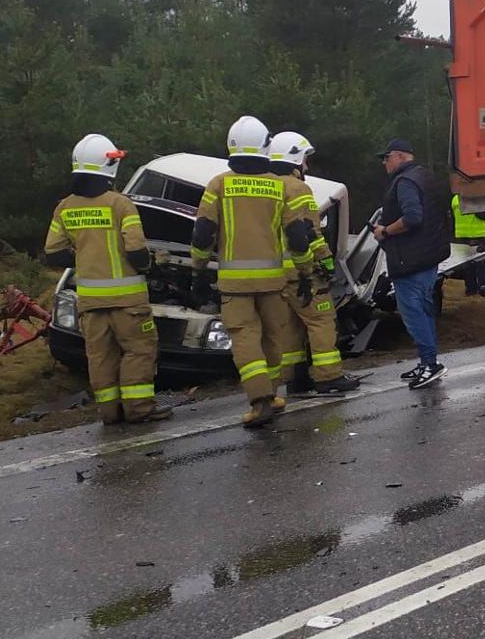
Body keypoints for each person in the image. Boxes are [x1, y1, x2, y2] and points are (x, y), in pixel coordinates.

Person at [192, 116, 318, 427]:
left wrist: (197, 269)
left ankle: (260, 399)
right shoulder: (279, 187)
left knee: (245, 338)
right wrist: (304, 272)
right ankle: (272, 394)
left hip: (235, 285)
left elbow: (203, 232)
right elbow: (298, 237)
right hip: (274, 281)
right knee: (273, 338)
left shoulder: (219, 185)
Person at [42, 133, 173, 424]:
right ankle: (139, 409)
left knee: (100, 358)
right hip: (129, 303)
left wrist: (87, 258)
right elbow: (137, 251)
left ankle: (110, 413)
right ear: (108, 166)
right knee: (138, 351)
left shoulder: (65, 207)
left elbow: (52, 253)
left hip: (90, 303)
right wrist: (150, 268)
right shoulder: (120, 205)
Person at [266, 132, 362, 396]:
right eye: (304, 159)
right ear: (294, 158)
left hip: (275, 274)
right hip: (301, 271)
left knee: (292, 325)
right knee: (321, 320)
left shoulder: (266, 187)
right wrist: (326, 264)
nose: (306, 166)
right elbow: (310, 232)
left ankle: (296, 379)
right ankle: (328, 376)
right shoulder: (297, 188)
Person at [374, 138, 452, 389]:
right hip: (427, 256)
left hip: (411, 260)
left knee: (413, 313)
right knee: (424, 310)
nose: (384, 163)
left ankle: (429, 364)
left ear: (400, 156)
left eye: (387, 157)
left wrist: (385, 231)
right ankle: (427, 361)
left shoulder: (405, 182)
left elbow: (413, 217)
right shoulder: (424, 177)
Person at [452, 195, 485, 295]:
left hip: (462, 235)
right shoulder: (474, 197)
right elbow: (481, 215)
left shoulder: (455, 198)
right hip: (479, 234)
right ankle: (483, 287)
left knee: (467, 265)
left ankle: (470, 289)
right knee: (481, 263)